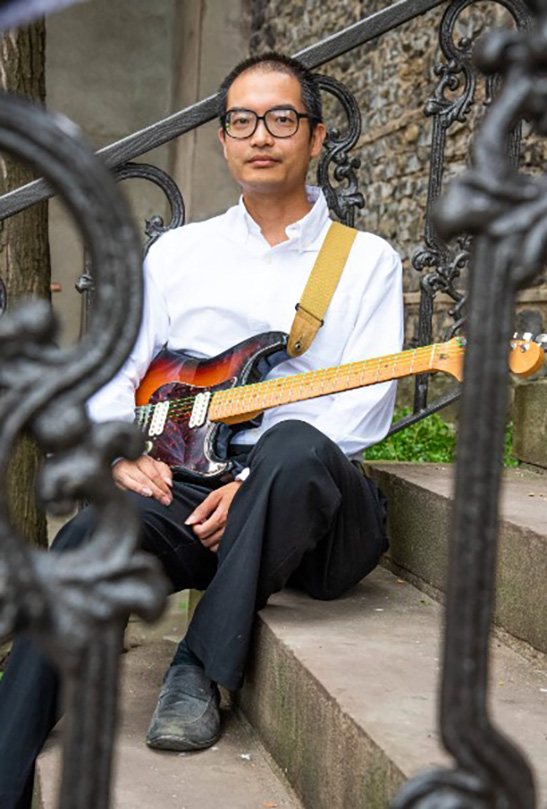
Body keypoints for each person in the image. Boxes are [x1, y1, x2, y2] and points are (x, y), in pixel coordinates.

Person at [0, 52, 403, 808]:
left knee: (293, 445)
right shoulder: (177, 255)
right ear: (222, 139)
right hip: (188, 484)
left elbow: (365, 408)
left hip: (314, 511)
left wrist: (253, 486)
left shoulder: (364, 262)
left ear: (314, 138)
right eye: (242, 120)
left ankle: (197, 665)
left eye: (281, 118)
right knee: (84, 541)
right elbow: (115, 374)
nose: (261, 135)